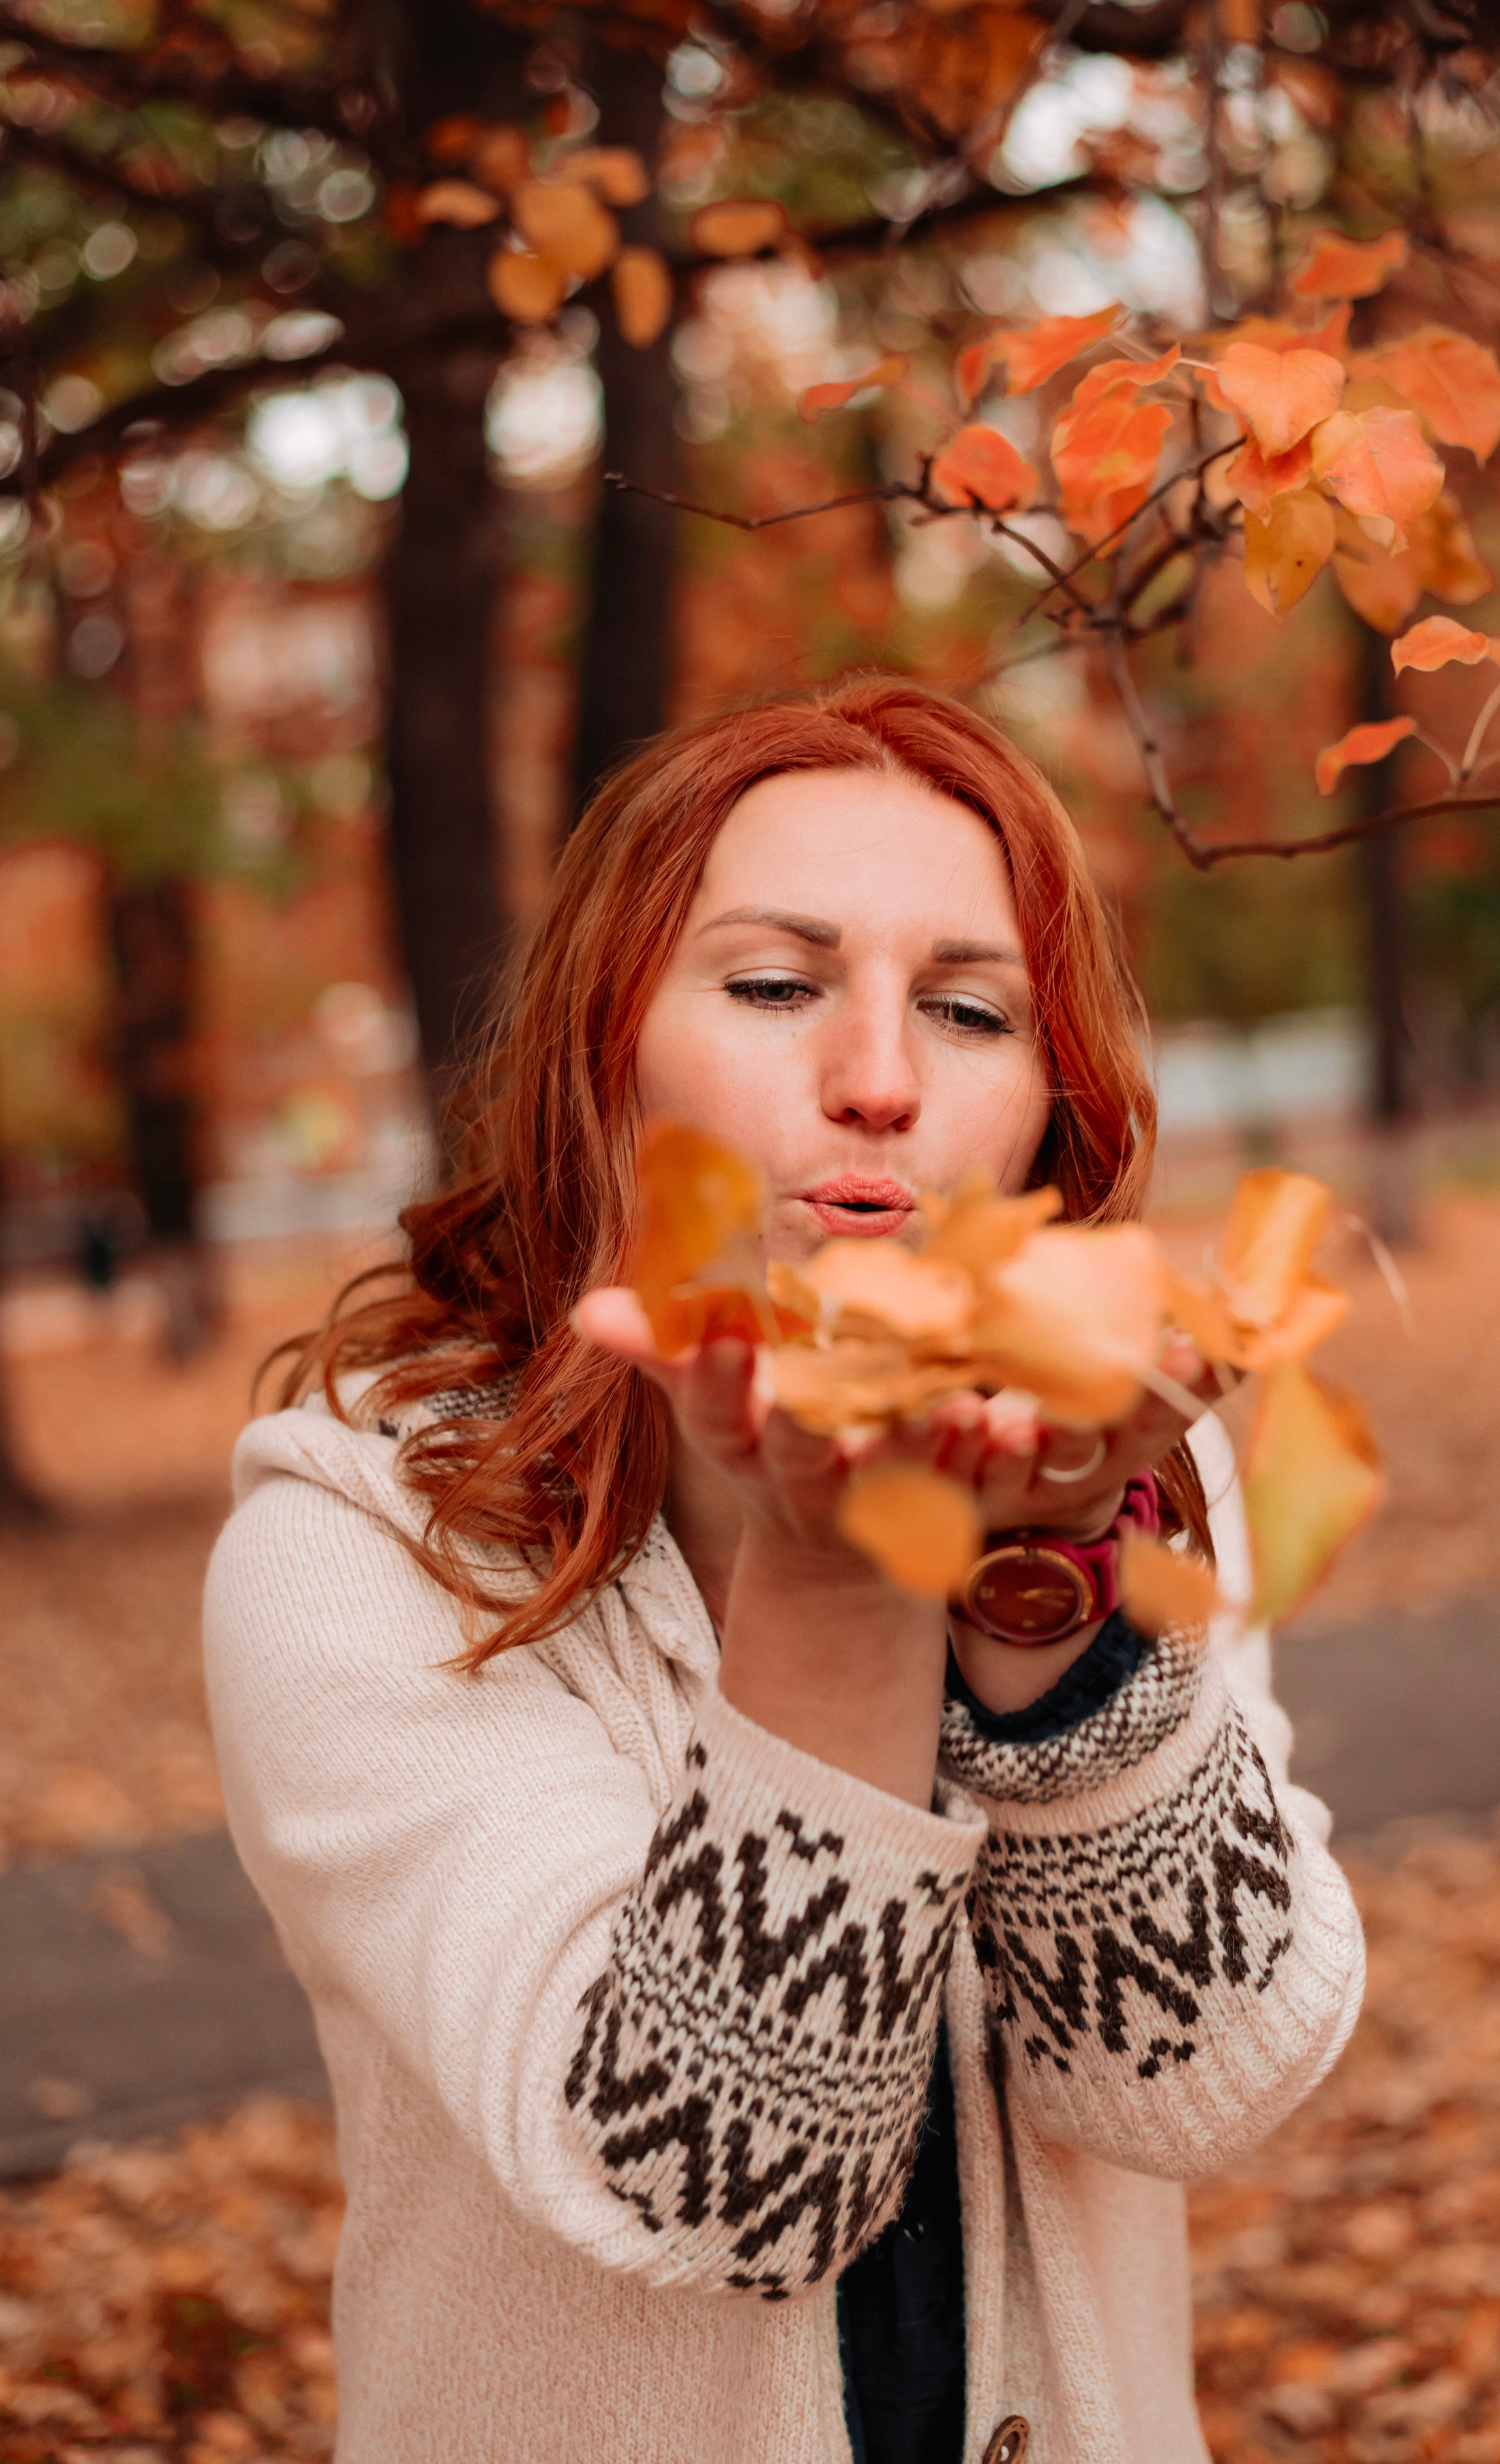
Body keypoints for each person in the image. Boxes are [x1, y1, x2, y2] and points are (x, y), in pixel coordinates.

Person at [206, 676, 1364, 2464]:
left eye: (968, 1011)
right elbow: (724, 2183)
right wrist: (837, 1590)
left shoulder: (1136, 1475)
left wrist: (1046, 1597)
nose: (880, 1081)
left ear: (1043, 1117)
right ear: (604, 1050)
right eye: (772, 987)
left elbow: (1200, 2082)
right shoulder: (364, 1542)